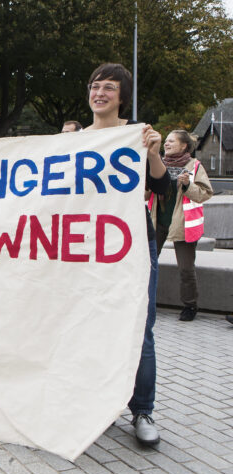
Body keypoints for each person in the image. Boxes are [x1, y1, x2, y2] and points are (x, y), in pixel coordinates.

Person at [84, 63, 168, 446]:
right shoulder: (74, 140)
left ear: (122, 97)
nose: (100, 93)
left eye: (109, 88)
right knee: (85, 324)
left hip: (131, 245)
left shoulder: (136, 136)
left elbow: (162, 184)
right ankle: (92, 404)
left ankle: (143, 410)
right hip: (83, 247)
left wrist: (151, 152)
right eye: (95, 86)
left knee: (140, 329)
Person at [148, 130, 213, 321]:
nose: (166, 144)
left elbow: (205, 193)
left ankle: (190, 306)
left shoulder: (194, 166)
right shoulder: (156, 163)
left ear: (184, 145)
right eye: (165, 141)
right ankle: (145, 300)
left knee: (186, 268)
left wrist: (187, 186)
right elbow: (145, 193)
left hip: (183, 223)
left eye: (171, 141)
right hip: (157, 220)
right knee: (148, 264)